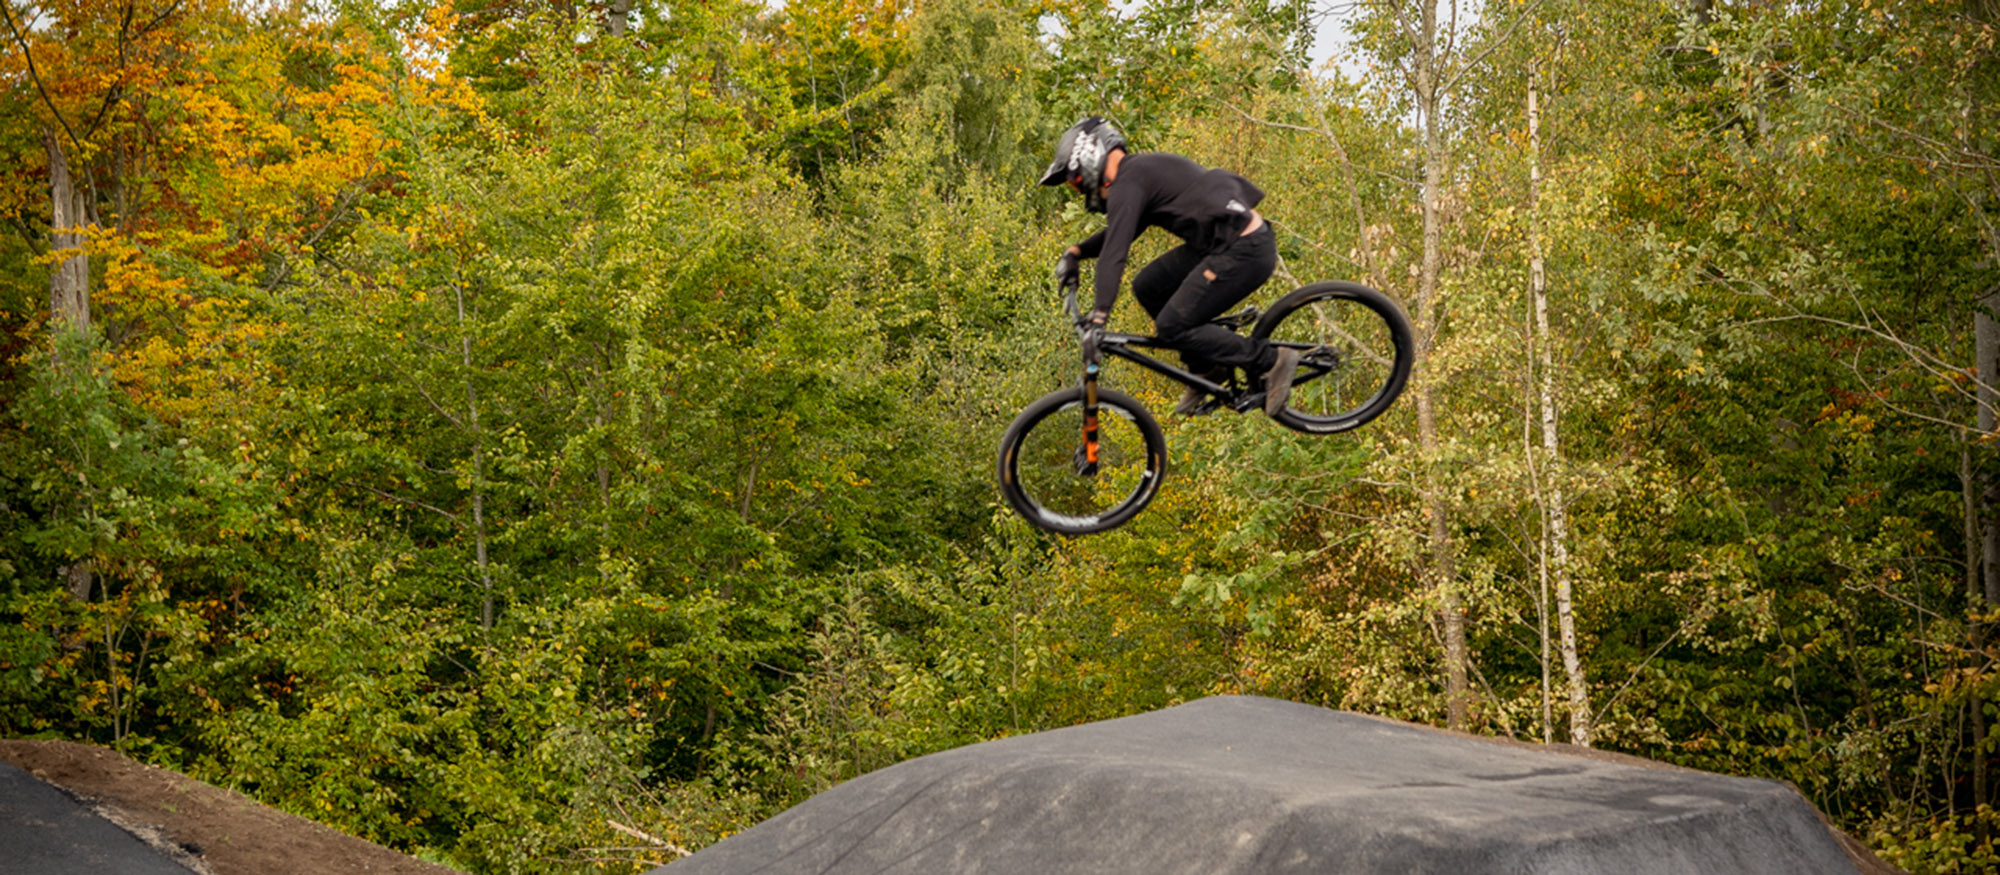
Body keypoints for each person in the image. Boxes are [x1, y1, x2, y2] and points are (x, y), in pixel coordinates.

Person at [1040, 116, 1298, 417]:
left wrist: (1099, 316)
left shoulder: (1130, 182)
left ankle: (1270, 360)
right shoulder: (1137, 176)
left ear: (1089, 158)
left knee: (1171, 326)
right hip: (1222, 245)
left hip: (1245, 249)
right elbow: (1120, 233)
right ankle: (1207, 367)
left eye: (1076, 182)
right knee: (1148, 286)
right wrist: (1076, 252)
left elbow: (1115, 253)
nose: (1080, 192)